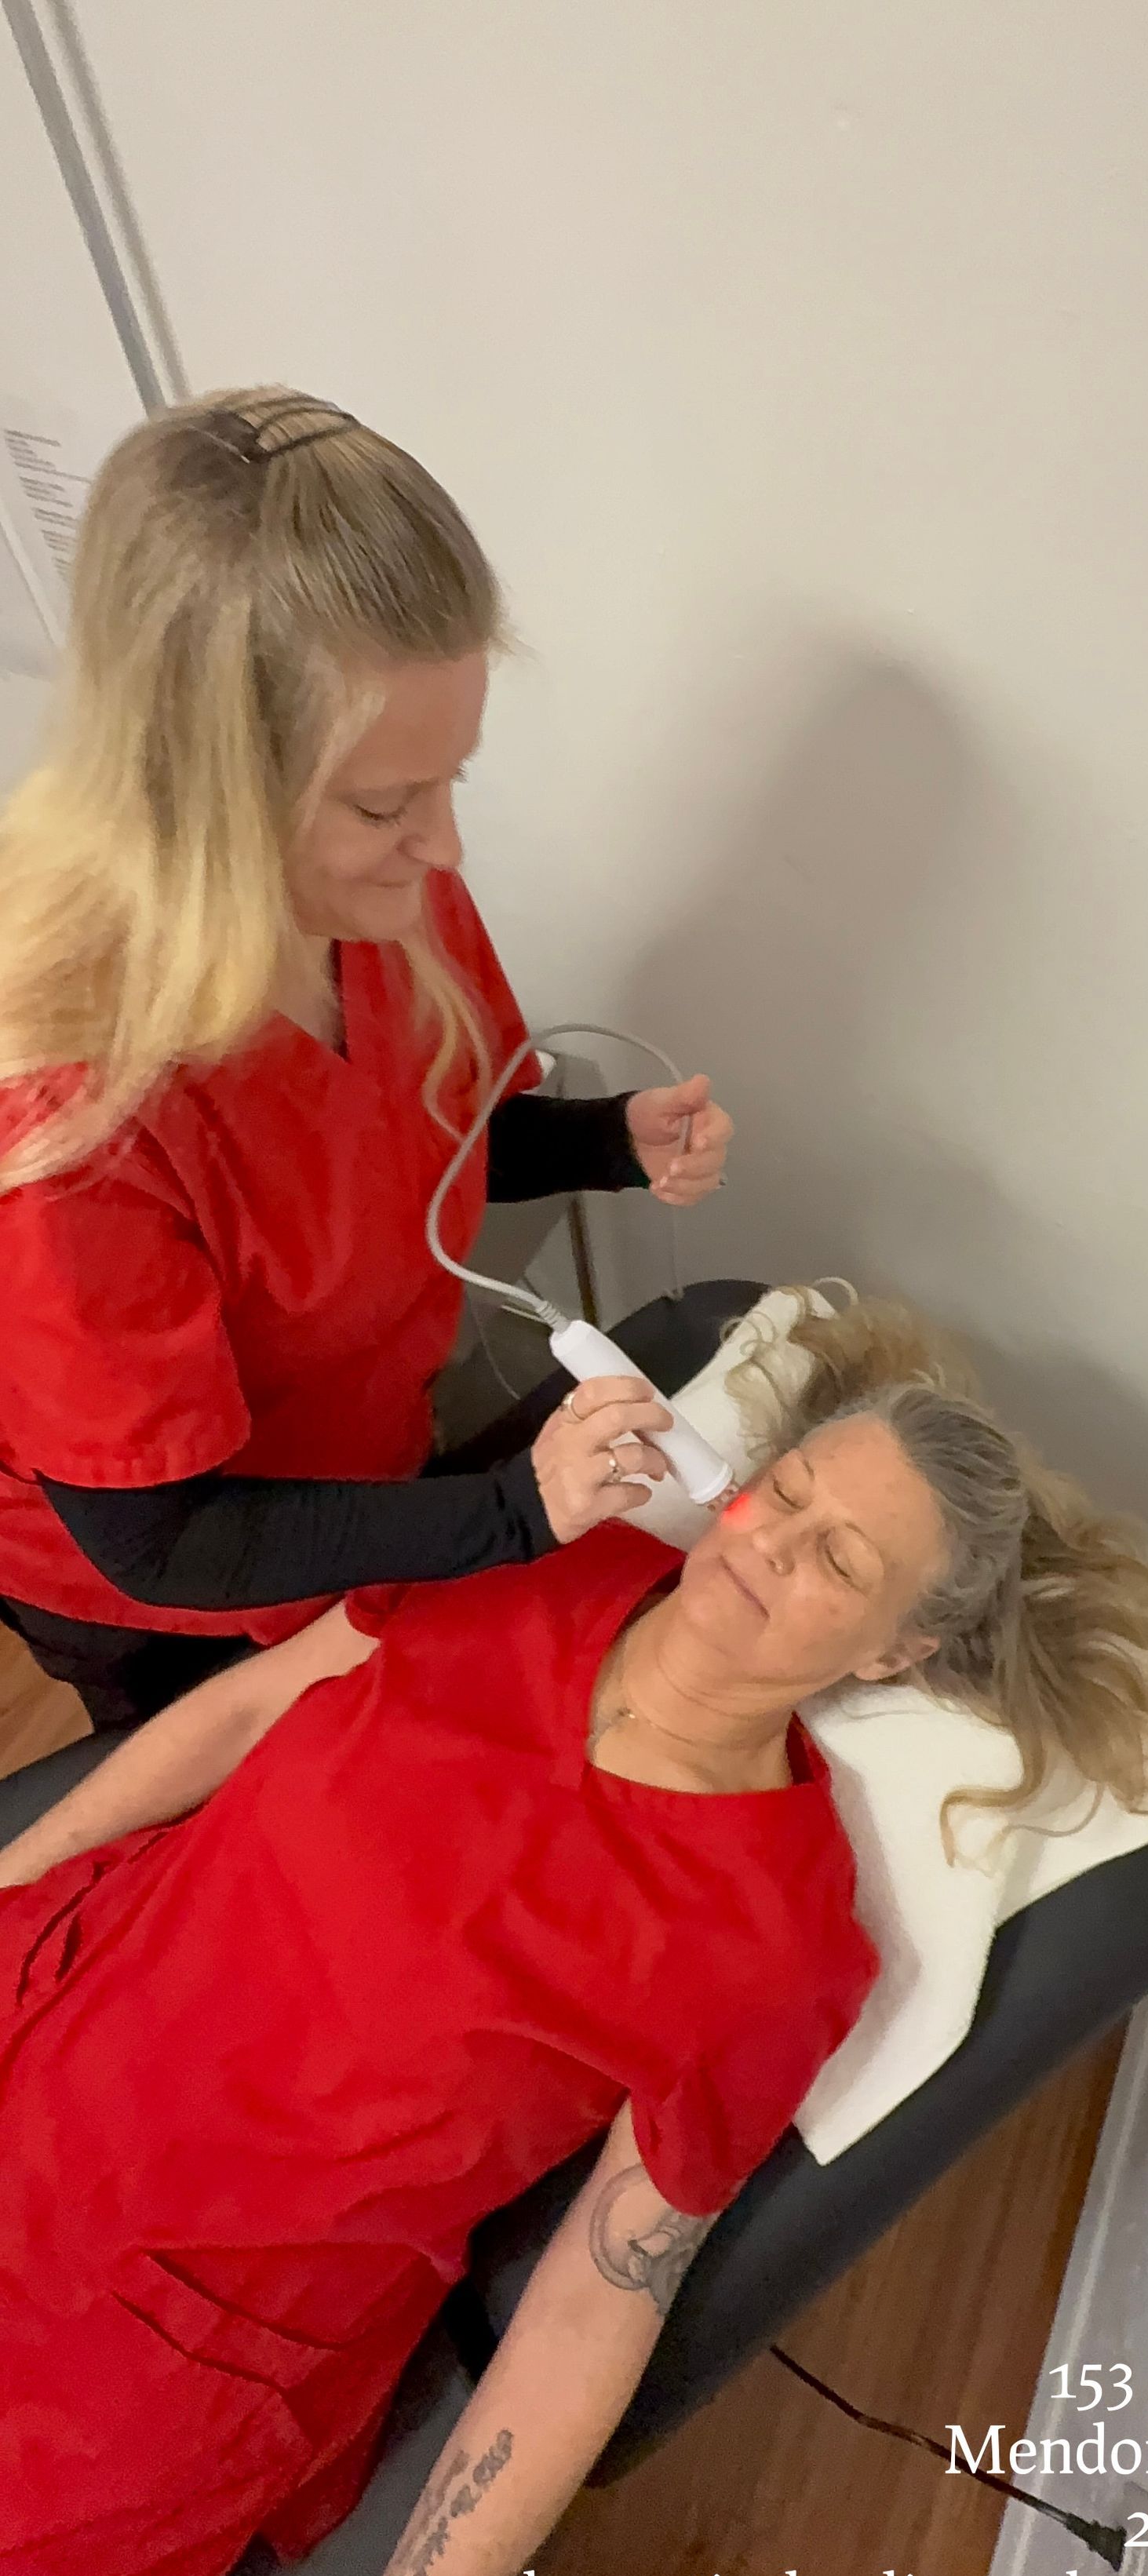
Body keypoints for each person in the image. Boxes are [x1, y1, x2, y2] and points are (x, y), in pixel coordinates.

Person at [0, 1290, 1148, 2576]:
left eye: (839, 1556)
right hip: (53, 2007)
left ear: (892, 1652)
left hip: (146, 2345)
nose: (770, 1542)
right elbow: (239, 1709)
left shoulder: (776, 1941)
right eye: (785, 1492)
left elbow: (598, 2297)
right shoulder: (529, 1556)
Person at [0, 385, 733, 1732]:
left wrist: (603, 1139)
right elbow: (161, 1539)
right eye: (390, 802)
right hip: (177, 1588)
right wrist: (512, 1512)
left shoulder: (380, 897)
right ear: (205, 787)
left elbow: (425, 1134)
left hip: (370, 1462)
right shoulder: (73, 1127)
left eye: (455, 778)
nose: (444, 848)